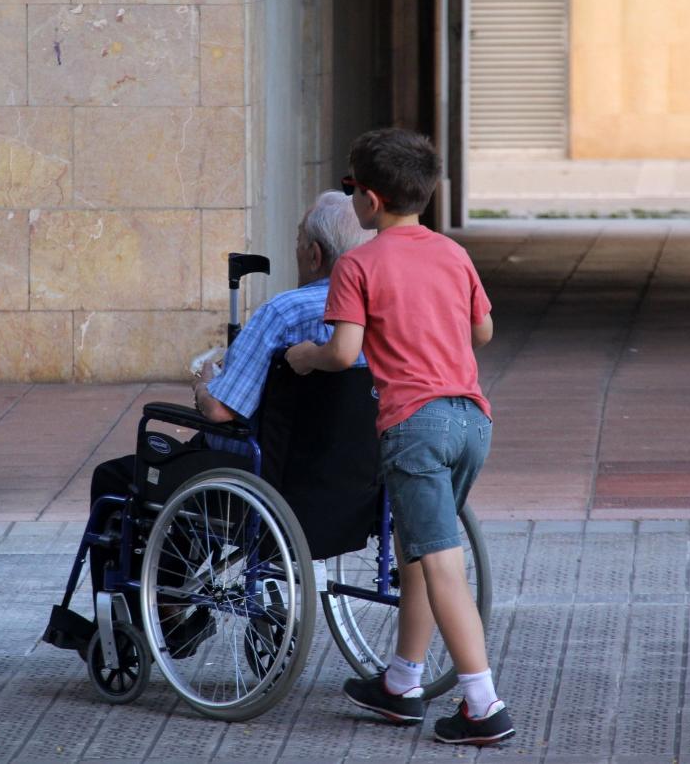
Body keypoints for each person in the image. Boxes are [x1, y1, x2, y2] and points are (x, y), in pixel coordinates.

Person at [285, 128, 511, 746]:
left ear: (371, 202)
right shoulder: (451, 253)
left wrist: (305, 356)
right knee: (416, 548)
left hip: (416, 425)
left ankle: (482, 705)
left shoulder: (358, 264)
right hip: (472, 420)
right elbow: (482, 330)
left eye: (353, 187)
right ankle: (401, 682)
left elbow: (344, 352)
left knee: (438, 562)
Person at [85, 190, 374, 653]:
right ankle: (172, 604)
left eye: (298, 240)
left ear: (315, 254)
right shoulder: (387, 314)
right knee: (194, 470)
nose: (296, 250)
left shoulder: (283, 312)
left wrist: (204, 383)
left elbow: (221, 411)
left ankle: (165, 615)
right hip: (351, 487)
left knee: (123, 479)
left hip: (264, 485)